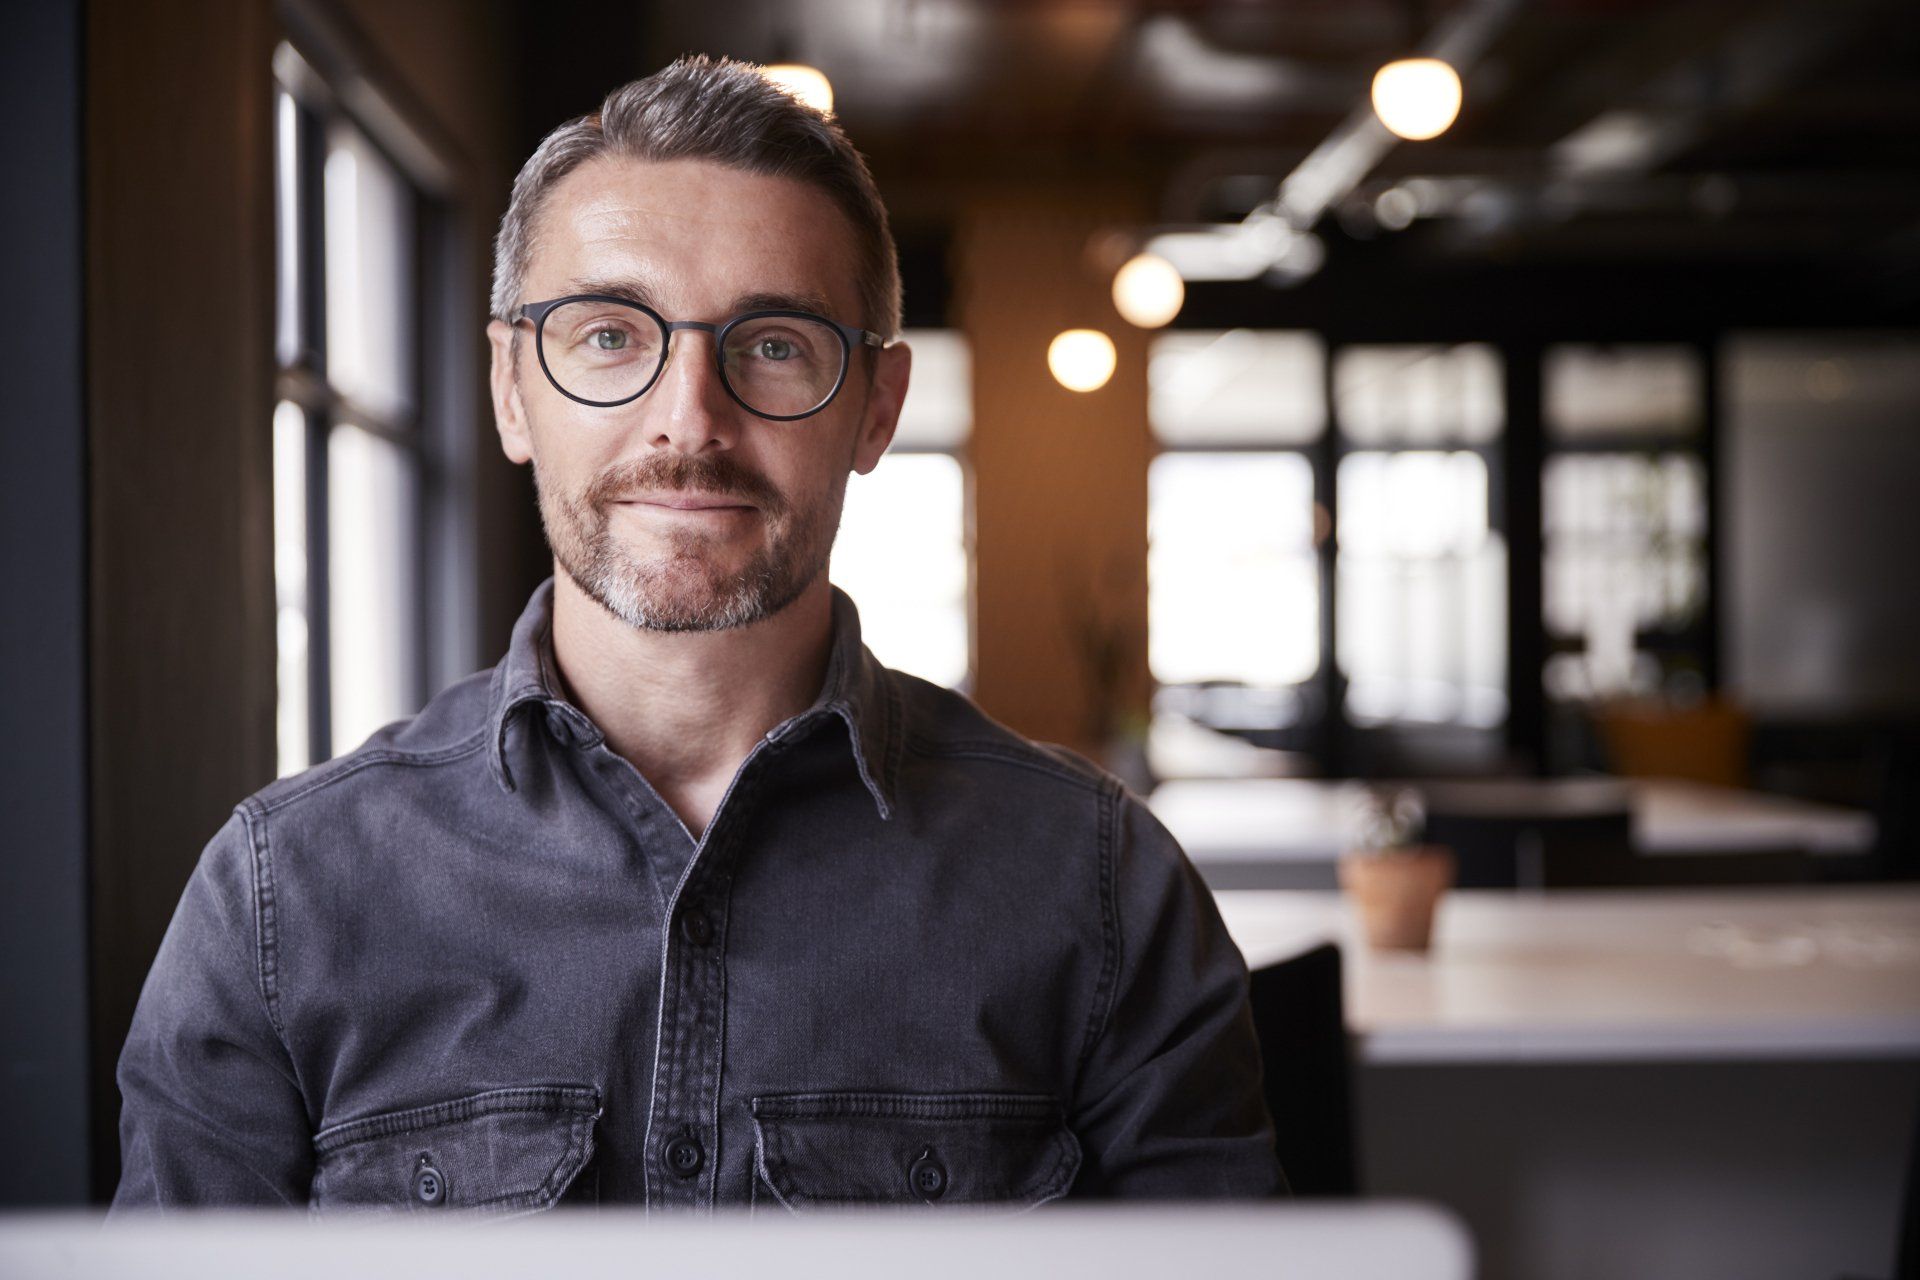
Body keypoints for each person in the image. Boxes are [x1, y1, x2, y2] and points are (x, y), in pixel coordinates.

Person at [114, 54, 1283, 1212]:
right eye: (612, 335)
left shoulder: (1100, 886)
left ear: (876, 408)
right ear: (514, 389)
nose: (690, 419)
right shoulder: (282, 895)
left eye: (774, 343)